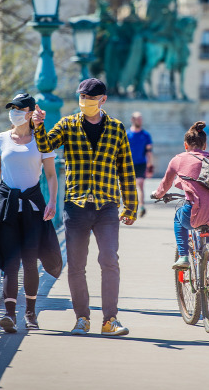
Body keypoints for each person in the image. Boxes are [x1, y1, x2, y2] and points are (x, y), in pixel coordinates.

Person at [31, 78, 138, 336]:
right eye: (81, 98)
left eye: (90, 99)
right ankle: (82, 319)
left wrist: (131, 207)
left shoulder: (116, 128)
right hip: (77, 206)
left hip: (107, 206)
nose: (85, 103)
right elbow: (45, 146)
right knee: (77, 265)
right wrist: (38, 125)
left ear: (103, 100)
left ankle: (110, 320)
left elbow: (126, 169)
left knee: (109, 261)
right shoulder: (68, 124)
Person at [0, 93, 62, 333]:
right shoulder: (1, 140)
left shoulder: (41, 141)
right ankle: (9, 315)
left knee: (30, 263)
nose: (14, 112)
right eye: (11, 107)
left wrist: (52, 202)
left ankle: (31, 314)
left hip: (33, 207)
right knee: (10, 263)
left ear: (30, 112)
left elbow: (52, 175)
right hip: (7, 207)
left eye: (19, 108)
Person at [151, 121, 209, 316]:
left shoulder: (179, 159)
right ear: (205, 145)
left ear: (186, 145)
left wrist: (157, 194)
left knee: (178, 217)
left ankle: (183, 256)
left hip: (194, 213)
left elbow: (165, 185)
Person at [127, 111, 154, 218]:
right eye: (138, 119)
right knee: (129, 186)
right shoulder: (127, 134)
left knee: (140, 185)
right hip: (128, 164)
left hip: (141, 163)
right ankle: (130, 207)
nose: (140, 121)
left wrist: (150, 166)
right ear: (132, 120)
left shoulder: (146, 135)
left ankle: (141, 206)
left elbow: (149, 152)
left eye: (141, 119)